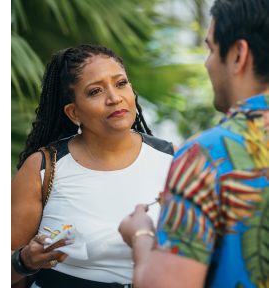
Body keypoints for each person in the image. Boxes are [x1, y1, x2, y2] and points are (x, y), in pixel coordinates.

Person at [117, 0, 269, 287]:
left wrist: (141, 236)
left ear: (238, 54)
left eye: (211, 49)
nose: (207, 62)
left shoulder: (207, 156)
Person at [11, 44, 177, 288]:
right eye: (95, 91)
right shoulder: (43, 168)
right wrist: (26, 260)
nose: (114, 98)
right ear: (73, 112)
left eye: (121, 83)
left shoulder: (172, 160)